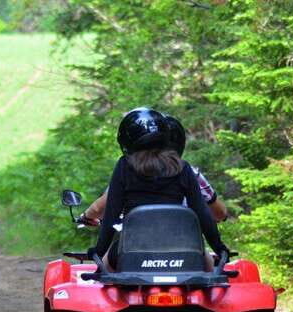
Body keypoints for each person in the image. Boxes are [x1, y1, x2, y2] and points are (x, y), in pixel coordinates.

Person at [89, 108, 229, 271]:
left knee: (104, 274)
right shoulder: (183, 168)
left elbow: (111, 214)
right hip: (183, 248)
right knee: (209, 272)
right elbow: (202, 213)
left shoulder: (124, 166)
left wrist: (99, 251)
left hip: (133, 249)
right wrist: (219, 247)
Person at [79, 112, 228, 224]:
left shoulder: (129, 171)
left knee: (105, 263)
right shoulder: (190, 173)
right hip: (184, 245)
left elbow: (100, 208)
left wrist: (86, 217)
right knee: (207, 262)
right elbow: (220, 214)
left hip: (136, 245)